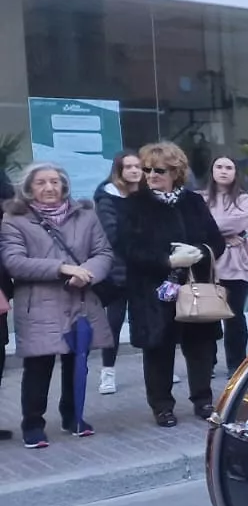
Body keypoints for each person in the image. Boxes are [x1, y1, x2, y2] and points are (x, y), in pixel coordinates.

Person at [1, 163, 116, 448]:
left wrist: (87, 272)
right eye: (41, 182)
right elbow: (15, 262)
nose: (49, 187)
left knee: (76, 363)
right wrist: (64, 269)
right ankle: (33, 424)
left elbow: (103, 252)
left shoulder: (86, 216)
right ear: (29, 188)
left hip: (80, 299)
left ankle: (73, 416)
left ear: (64, 186)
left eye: (55, 181)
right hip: (39, 304)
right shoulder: (14, 220)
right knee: (38, 366)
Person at [118, 142, 227, 428]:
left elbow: (217, 240)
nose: (151, 175)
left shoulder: (193, 201)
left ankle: (203, 399)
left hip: (194, 287)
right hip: (154, 290)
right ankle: (162, 406)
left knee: (201, 346)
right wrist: (167, 261)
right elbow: (128, 248)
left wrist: (200, 252)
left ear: (176, 172)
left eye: (159, 170)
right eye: (147, 170)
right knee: (158, 350)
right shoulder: (134, 204)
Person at [93, 150, 140, 395]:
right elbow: (111, 233)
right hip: (119, 270)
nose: (134, 170)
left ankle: (160, 368)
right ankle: (107, 372)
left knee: (149, 320)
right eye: (128, 166)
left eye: (137, 166)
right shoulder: (108, 196)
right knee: (114, 322)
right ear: (119, 170)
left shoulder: (146, 195)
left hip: (145, 270)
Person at [203, 156, 248, 373]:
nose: (223, 171)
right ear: (212, 171)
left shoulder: (245, 200)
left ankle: (236, 365)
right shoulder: (200, 198)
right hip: (208, 265)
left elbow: (235, 222)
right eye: (219, 167)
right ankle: (208, 363)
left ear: (235, 172)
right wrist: (223, 238)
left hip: (236, 264)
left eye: (229, 167)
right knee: (207, 316)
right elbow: (196, 226)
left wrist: (210, 231)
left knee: (234, 315)